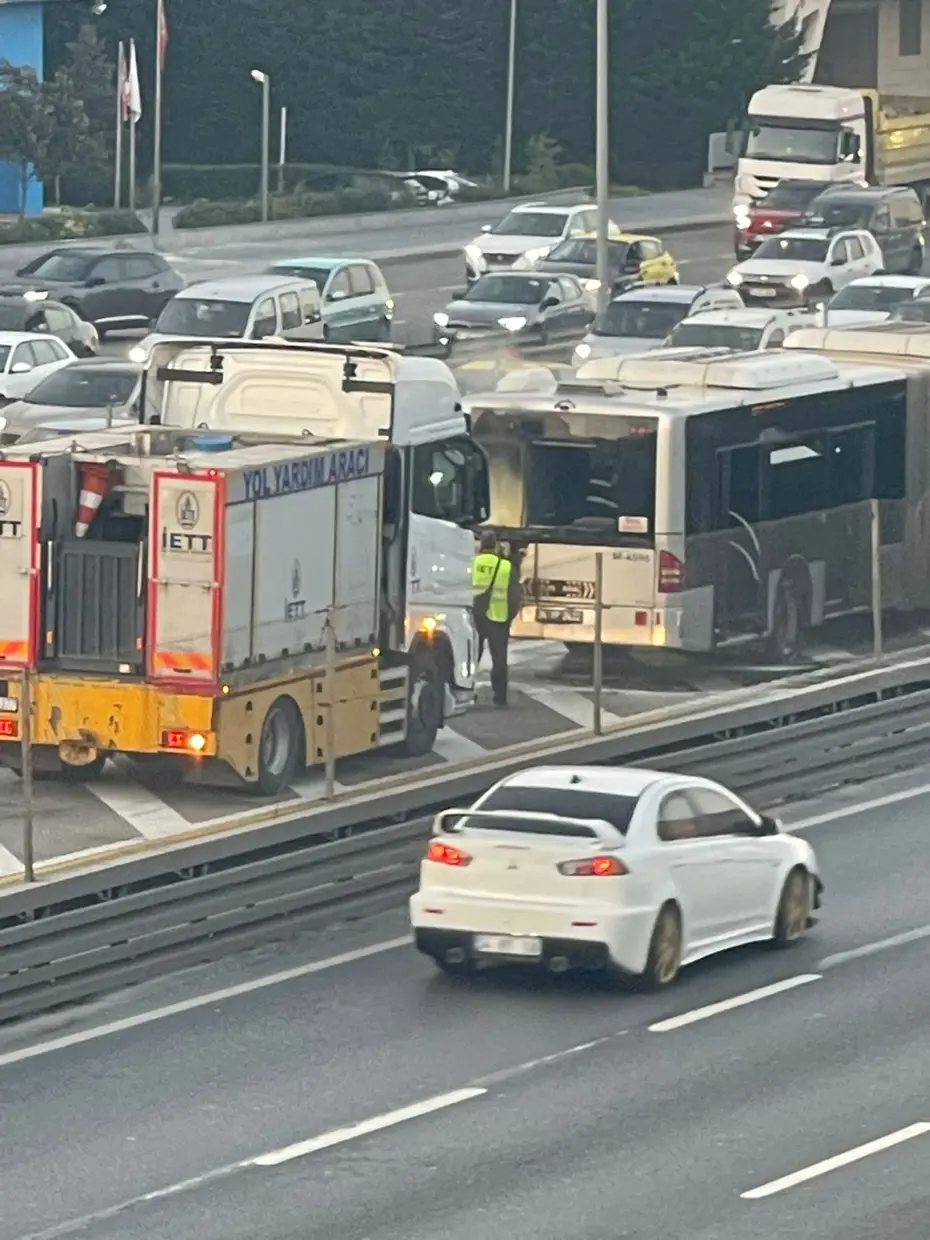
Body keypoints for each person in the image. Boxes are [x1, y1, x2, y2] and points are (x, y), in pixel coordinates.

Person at [471, 530, 514, 708]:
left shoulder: (472, 562)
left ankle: (467, 690)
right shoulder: (505, 566)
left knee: (472, 657)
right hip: (499, 618)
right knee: (499, 660)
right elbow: (514, 595)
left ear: (481, 544)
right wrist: (510, 616)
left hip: (476, 616)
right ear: (495, 545)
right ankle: (500, 697)